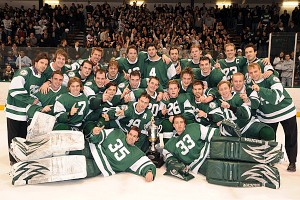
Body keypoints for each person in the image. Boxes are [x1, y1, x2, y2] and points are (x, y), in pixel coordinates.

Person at [162, 115, 281, 188]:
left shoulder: (193, 127)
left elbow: (213, 134)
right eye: (176, 123)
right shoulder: (168, 145)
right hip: (199, 164)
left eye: (181, 122)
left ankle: (266, 156)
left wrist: (226, 132)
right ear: (173, 125)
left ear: (185, 124)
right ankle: (263, 174)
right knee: (225, 171)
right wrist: (176, 166)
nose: (179, 125)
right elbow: (169, 160)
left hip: (210, 149)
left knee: (234, 151)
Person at [10, 126, 156, 185]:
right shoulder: (117, 132)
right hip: (90, 149)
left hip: (98, 166)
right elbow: (97, 138)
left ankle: (27, 173)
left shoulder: (136, 154)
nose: (130, 137)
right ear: (127, 133)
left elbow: (147, 165)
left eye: (134, 136)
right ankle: (29, 149)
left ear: (137, 139)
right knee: (74, 140)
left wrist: (149, 172)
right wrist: (96, 133)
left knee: (70, 167)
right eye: (130, 134)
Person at [247, 63, 298, 172]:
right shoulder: (250, 85)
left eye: (255, 71)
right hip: (268, 116)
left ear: (260, 70)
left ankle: (292, 162)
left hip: (286, 111)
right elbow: (254, 104)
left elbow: (275, 97)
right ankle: (271, 159)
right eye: (251, 73)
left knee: (291, 137)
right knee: (269, 139)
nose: (253, 74)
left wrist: (260, 89)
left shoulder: (271, 78)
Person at [5, 52, 49, 165]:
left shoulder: (42, 76)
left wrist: (48, 82)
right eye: (41, 63)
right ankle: (13, 160)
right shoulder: (25, 72)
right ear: (36, 62)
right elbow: (14, 90)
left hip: (26, 112)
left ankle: (21, 157)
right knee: (13, 137)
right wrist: (31, 100)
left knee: (23, 136)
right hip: (14, 110)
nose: (44, 65)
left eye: (46, 64)